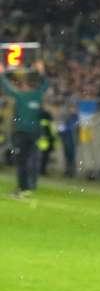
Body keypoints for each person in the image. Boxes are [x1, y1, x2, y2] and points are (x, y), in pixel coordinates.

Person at [0, 61, 49, 196]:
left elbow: (6, 88)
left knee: (23, 161)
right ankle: (29, 186)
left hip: (23, 133)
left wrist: (2, 74)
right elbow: (46, 84)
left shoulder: (23, 96)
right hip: (33, 133)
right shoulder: (36, 95)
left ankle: (24, 188)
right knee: (31, 159)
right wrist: (41, 72)